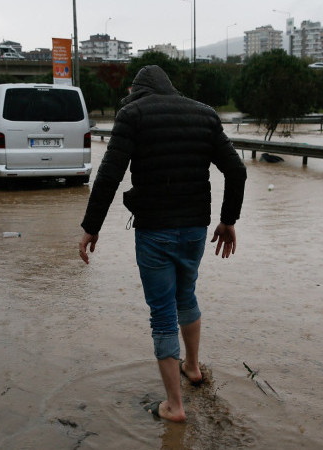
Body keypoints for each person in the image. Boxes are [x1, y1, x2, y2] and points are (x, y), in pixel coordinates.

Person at [78, 65, 247, 422]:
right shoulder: (205, 114)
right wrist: (228, 220)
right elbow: (236, 170)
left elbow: (109, 174)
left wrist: (92, 227)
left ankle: (174, 406)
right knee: (186, 295)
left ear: (138, 91)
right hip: (196, 229)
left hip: (154, 230)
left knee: (162, 313)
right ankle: (193, 368)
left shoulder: (132, 115)